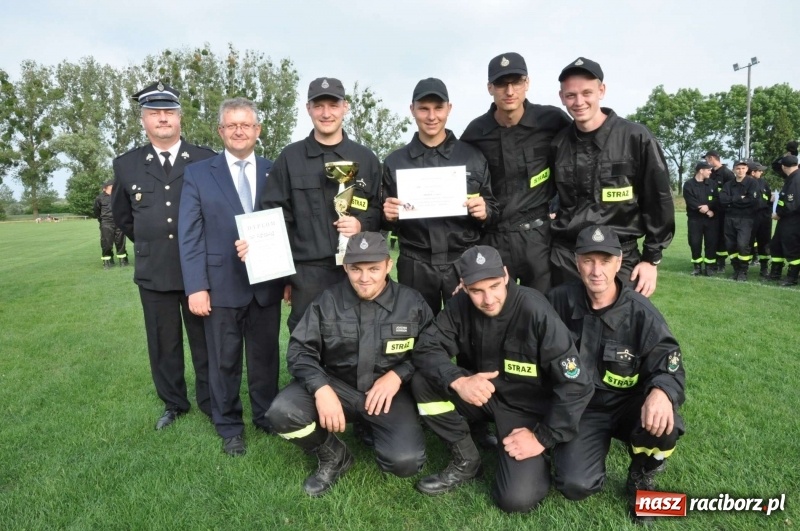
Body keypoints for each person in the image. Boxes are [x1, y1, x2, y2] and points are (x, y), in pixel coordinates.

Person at [410, 245, 593, 513]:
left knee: (516, 500)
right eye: (477, 291)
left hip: (526, 410)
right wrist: (459, 381)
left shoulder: (535, 311)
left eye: (495, 286)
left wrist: (541, 437)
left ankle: (539, 453)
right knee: (423, 382)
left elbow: (576, 384)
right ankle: (467, 459)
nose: (488, 299)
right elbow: (426, 347)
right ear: (464, 286)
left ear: (506, 275)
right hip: (483, 395)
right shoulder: (459, 304)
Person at [266, 232, 433, 496]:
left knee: (405, 463)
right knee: (282, 413)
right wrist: (321, 389)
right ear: (345, 267)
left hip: (387, 394)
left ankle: (371, 426)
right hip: (337, 386)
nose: (364, 278)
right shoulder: (327, 301)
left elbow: (430, 351)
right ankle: (334, 455)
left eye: (374, 269)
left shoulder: (412, 303)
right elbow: (300, 350)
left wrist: (399, 374)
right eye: (356, 269)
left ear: (389, 265)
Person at [547, 225, 685, 525]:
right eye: (588, 260)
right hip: (582, 410)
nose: (597, 271)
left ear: (620, 262)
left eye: (605, 261)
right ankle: (575, 450)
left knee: (665, 421)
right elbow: (521, 321)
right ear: (576, 262)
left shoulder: (641, 312)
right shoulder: (556, 302)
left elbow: (669, 363)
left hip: (627, 405)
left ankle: (643, 474)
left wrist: (661, 391)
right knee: (574, 485)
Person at [178, 98, 284, 456]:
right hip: (220, 285)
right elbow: (189, 235)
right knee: (223, 360)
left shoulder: (275, 171)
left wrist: (287, 278)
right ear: (221, 131)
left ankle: (267, 416)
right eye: (232, 125)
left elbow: (286, 226)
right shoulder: (198, 173)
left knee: (266, 357)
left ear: (258, 130)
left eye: (246, 124)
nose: (239, 131)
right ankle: (229, 426)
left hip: (266, 284)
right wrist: (196, 287)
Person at [111, 82, 215, 430]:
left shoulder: (205, 159)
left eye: (168, 112)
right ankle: (173, 403)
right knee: (162, 342)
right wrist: (151, 243)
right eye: (154, 113)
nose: (162, 118)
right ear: (143, 120)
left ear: (180, 117)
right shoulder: (127, 165)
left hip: (198, 271)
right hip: (154, 270)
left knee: (205, 341)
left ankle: (211, 401)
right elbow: (124, 217)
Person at [257, 77, 382, 333]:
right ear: (308, 109)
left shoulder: (366, 158)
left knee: (356, 337)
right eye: (319, 106)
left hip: (357, 270)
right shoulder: (290, 158)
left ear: (345, 107)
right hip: (307, 273)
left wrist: (361, 222)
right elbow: (275, 217)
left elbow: (381, 210)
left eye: (333, 105)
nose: (326, 113)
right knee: (307, 339)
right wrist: (284, 275)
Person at [550, 57, 674, 297]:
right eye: (571, 95)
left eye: (587, 93)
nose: (579, 102)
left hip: (619, 257)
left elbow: (659, 200)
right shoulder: (558, 144)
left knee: (619, 329)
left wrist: (652, 259)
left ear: (602, 91)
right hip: (567, 257)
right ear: (561, 97)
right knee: (565, 331)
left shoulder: (635, 137)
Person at [382, 77, 498, 315]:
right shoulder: (395, 162)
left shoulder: (472, 156)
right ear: (412, 110)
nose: (432, 116)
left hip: (464, 261)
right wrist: (388, 215)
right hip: (416, 263)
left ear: (449, 109)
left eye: (438, 108)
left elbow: (494, 209)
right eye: (424, 108)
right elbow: (380, 218)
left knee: (471, 333)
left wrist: (485, 211)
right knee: (419, 334)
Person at [461, 53, 572, 294]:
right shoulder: (475, 132)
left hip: (539, 237)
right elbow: (461, 181)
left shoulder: (552, 120)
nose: (509, 91)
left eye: (517, 82)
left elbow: (576, 162)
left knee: (543, 311)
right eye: (501, 84)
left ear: (527, 83)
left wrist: (561, 206)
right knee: (497, 313)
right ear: (490, 88)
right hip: (494, 238)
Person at [719, 160, 758, 281]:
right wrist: (738, 198)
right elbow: (722, 200)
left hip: (745, 219)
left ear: (747, 170)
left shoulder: (752, 183)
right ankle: (736, 269)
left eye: (743, 168)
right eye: (738, 168)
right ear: (734, 170)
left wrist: (732, 201)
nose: (740, 171)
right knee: (730, 245)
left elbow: (752, 201)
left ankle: (743, 271)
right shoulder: (728, 185)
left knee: (742, 245)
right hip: (729, 218)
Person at [682, 160, 719, 276]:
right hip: (695, 220)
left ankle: (709, 267)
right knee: (694, 242)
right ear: (701, 170)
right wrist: (702, 209)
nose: (710, 172)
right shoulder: (688, 184)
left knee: (711, 243)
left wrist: (709, 207)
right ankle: (697, 267)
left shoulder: (712, 184)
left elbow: (717, 199)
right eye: (708, 170)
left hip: (710, 219)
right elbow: (690, 200)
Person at [769, 155, 800, 286]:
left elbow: (791, 204)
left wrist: (778, 214)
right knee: (776, 245)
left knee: (791, 248)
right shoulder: (791, 177)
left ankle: (792, 277)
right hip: (786, 219)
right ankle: (775, 273)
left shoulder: (795, 180)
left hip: (792, 219)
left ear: (784, 166)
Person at [705, 150, 735, 272]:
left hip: (723, 212)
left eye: (707, 159)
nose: (706, 162)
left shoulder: (727, 174)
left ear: (711, 158)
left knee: (722, 237)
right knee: (712, 237)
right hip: (711, 212)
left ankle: (721, 263)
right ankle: (712, 261)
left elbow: (730, 194)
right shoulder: (710, 173)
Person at [93, 180, 128, 269]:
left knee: (120, 242)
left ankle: (123, 260)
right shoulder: (99, 198)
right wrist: (102, 221)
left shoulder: (119, 197)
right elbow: (96, 211)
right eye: (112, 185)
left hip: (119, 222)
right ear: (105, 188)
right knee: (106, 242)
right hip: (106, 223)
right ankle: (107, 261)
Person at [747, 161, 772, 276]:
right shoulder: (745, 183)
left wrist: (768, 211)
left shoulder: (763, 183)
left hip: (764, 217)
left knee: (764, 242)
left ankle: (764, 267)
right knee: (747, 242)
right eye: (759, 170)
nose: (762, 172)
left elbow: (769, 199)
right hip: (750, 217)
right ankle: (743, 267)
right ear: (752, 172)